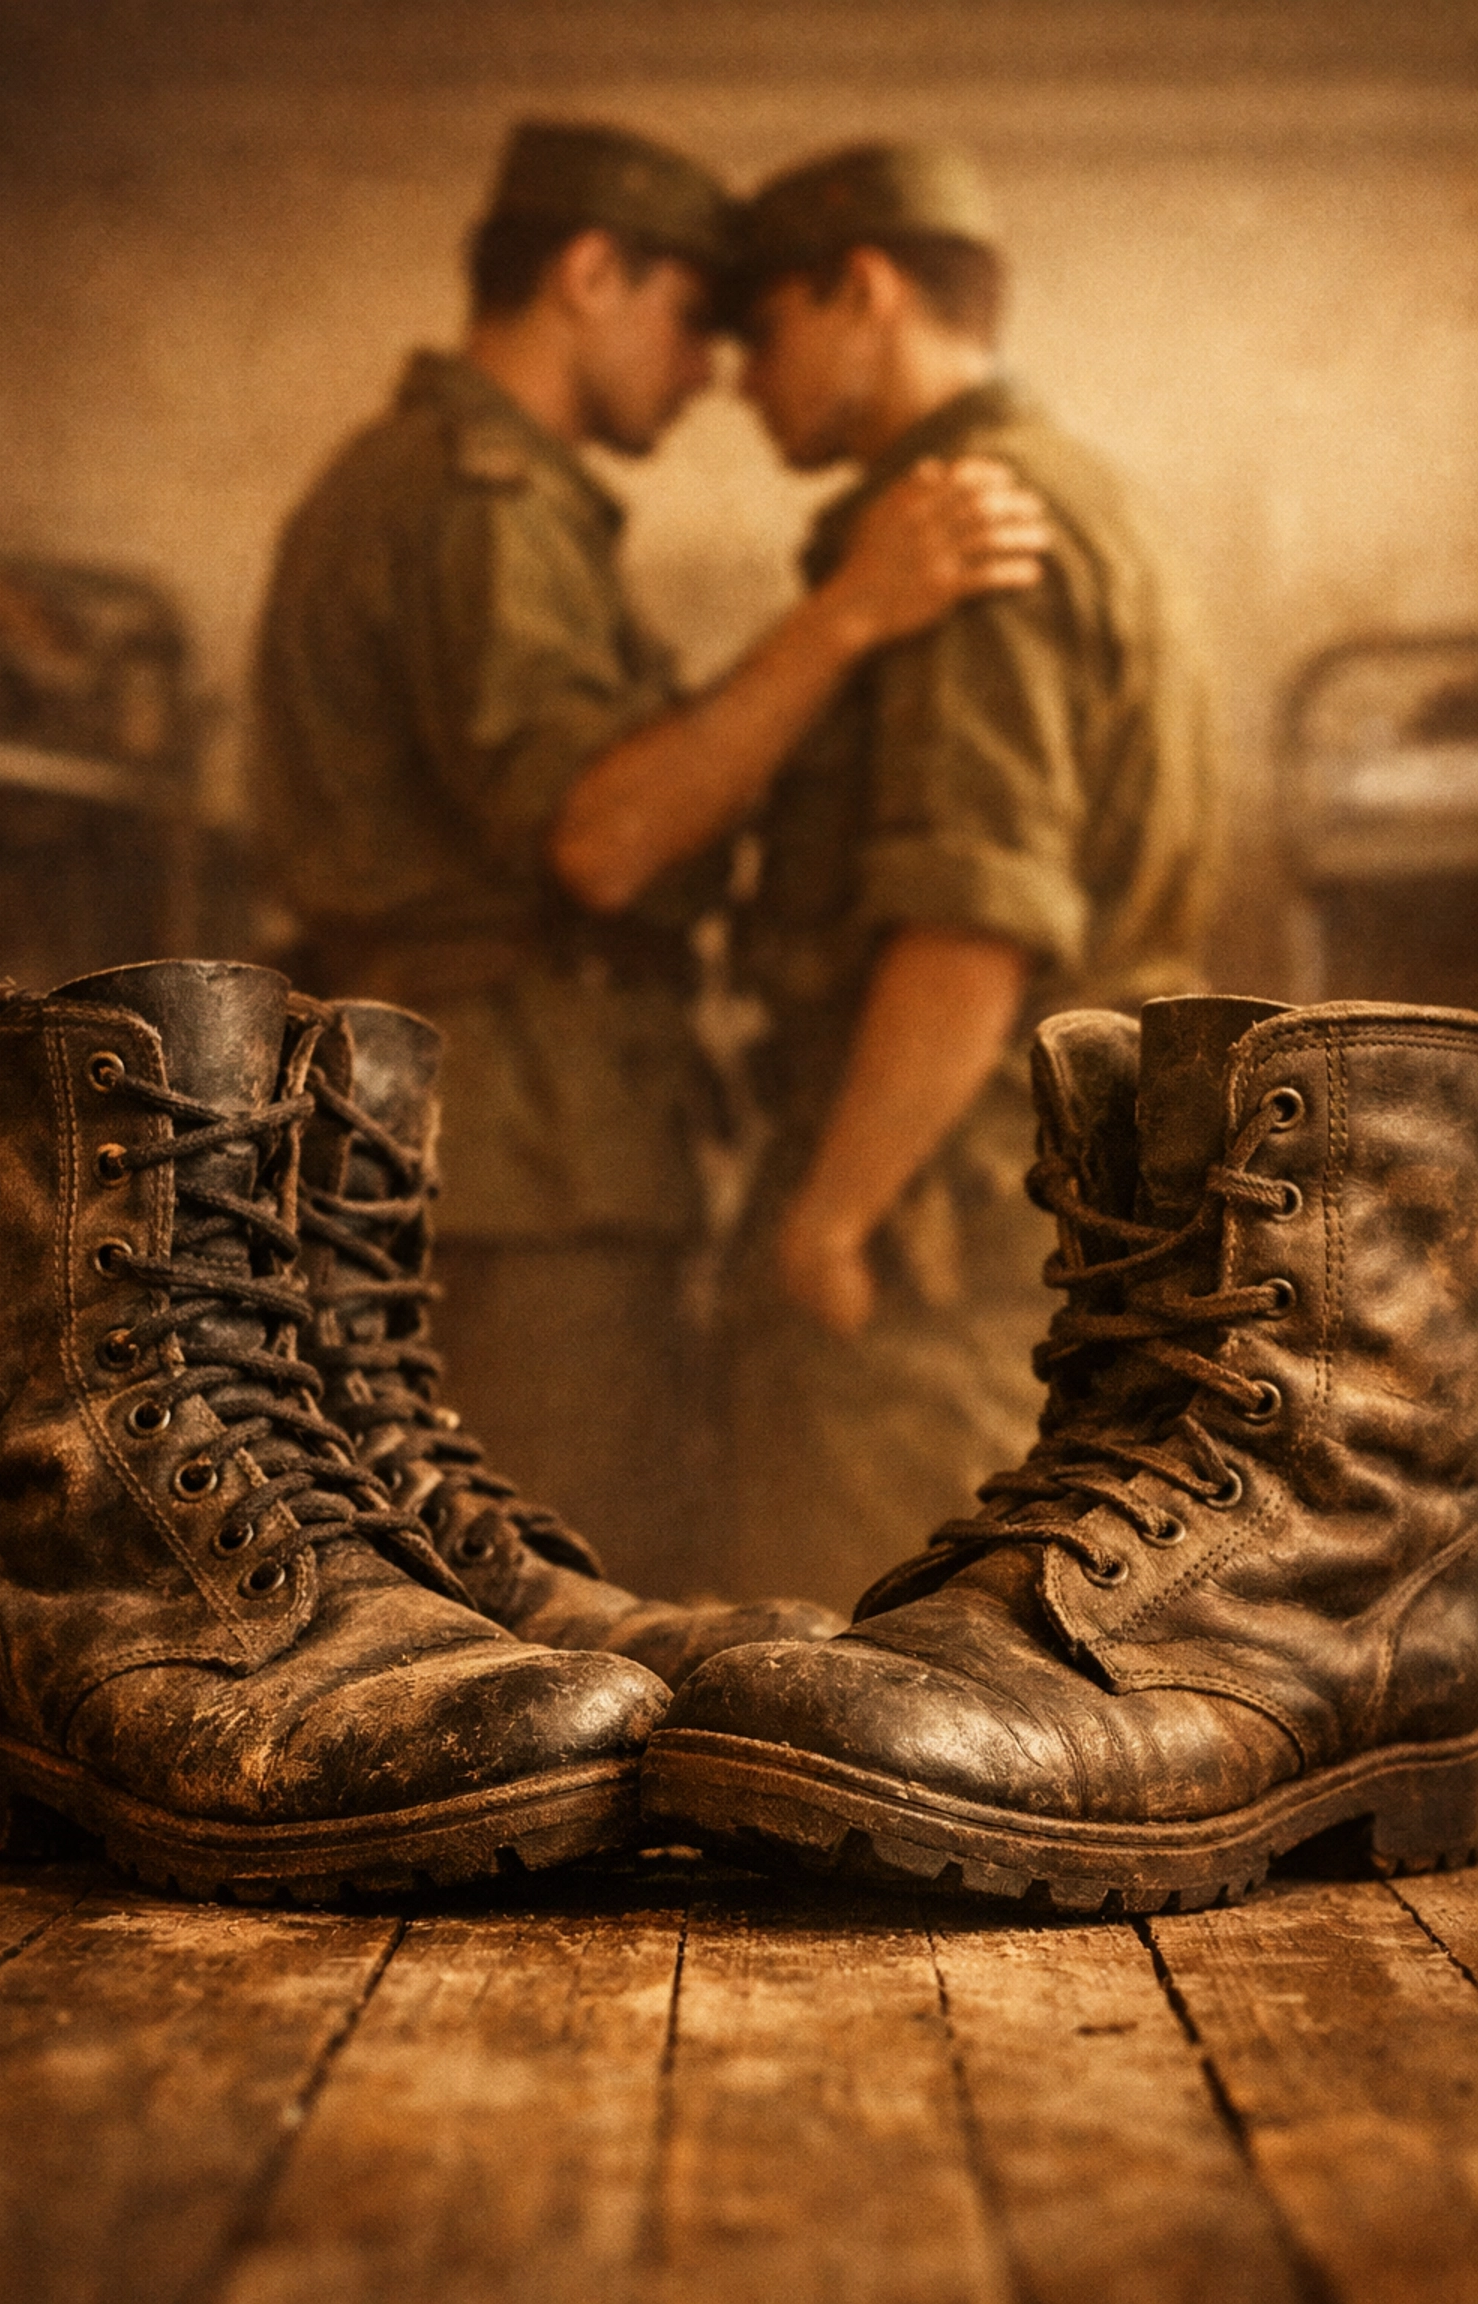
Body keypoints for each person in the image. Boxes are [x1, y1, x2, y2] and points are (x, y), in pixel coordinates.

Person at [252, 121, 1049, 1597]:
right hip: (521, 1158)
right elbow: (606, 841)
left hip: (516, 1140)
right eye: (692, 322)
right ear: (587, 271)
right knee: (544, 1614)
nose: (714, 376)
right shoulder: (476, 500)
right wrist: (849, 613)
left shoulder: (482, 494)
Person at [552, 141, 1222, 1609]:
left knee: (870, 1716)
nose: (737, 379)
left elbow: (965, 922)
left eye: (763, 333)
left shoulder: (960, 532)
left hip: (929, 1226)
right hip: (1033, 1210)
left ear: (860, 290)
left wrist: (831, 1218)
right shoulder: (1069, 496)